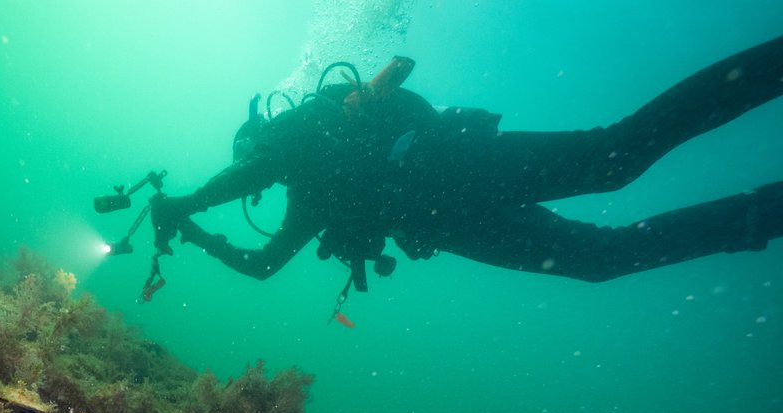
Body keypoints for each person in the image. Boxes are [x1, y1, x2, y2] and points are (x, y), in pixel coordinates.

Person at [150, 37, 783, 289]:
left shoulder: (301, 130)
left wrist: (183, 206)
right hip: (449, 224)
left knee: (612, 158)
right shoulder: (310, 195)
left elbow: (250, 173)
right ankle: (768, 212)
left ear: (260, 139)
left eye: (252, 157)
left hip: (450, 165)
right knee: (600, 259)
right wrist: (193, 229)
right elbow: (264, 267)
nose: (258, 174)